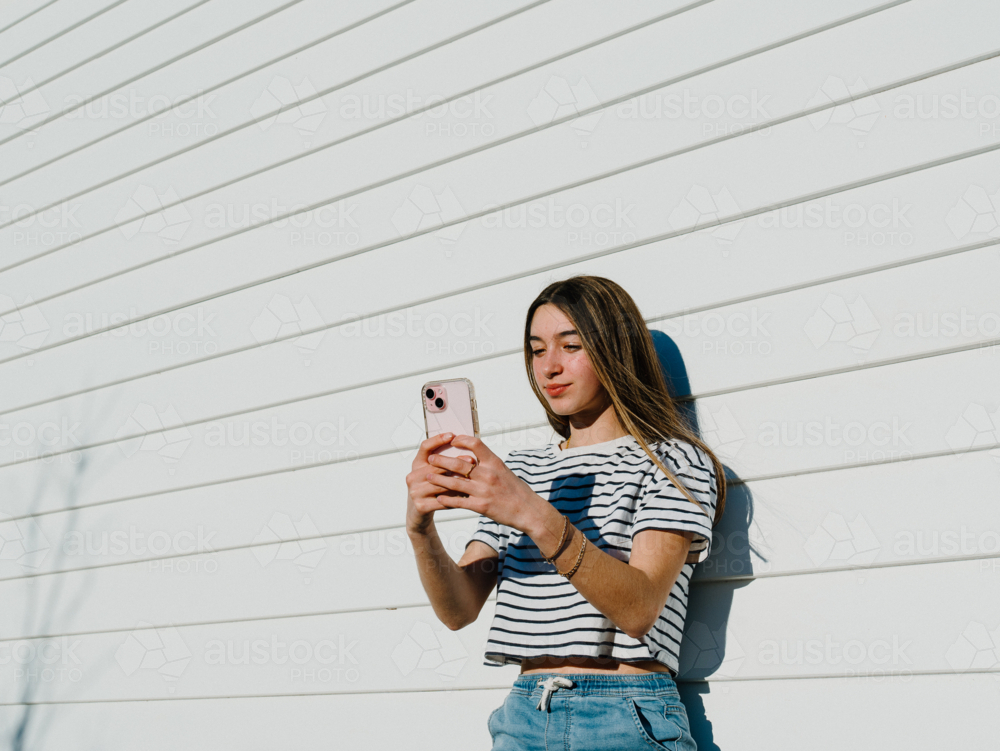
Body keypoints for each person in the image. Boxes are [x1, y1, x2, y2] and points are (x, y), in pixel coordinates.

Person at [405, 275, 727, 750]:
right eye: (536, 350)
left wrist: (532, 513)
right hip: (524, 715)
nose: (550, 367)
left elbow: (639, 609)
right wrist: (420, 530)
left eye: (570, 345)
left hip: (627, 712)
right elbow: (459, 609)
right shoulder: (522, 472)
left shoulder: (673, 461)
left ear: (615, 350)